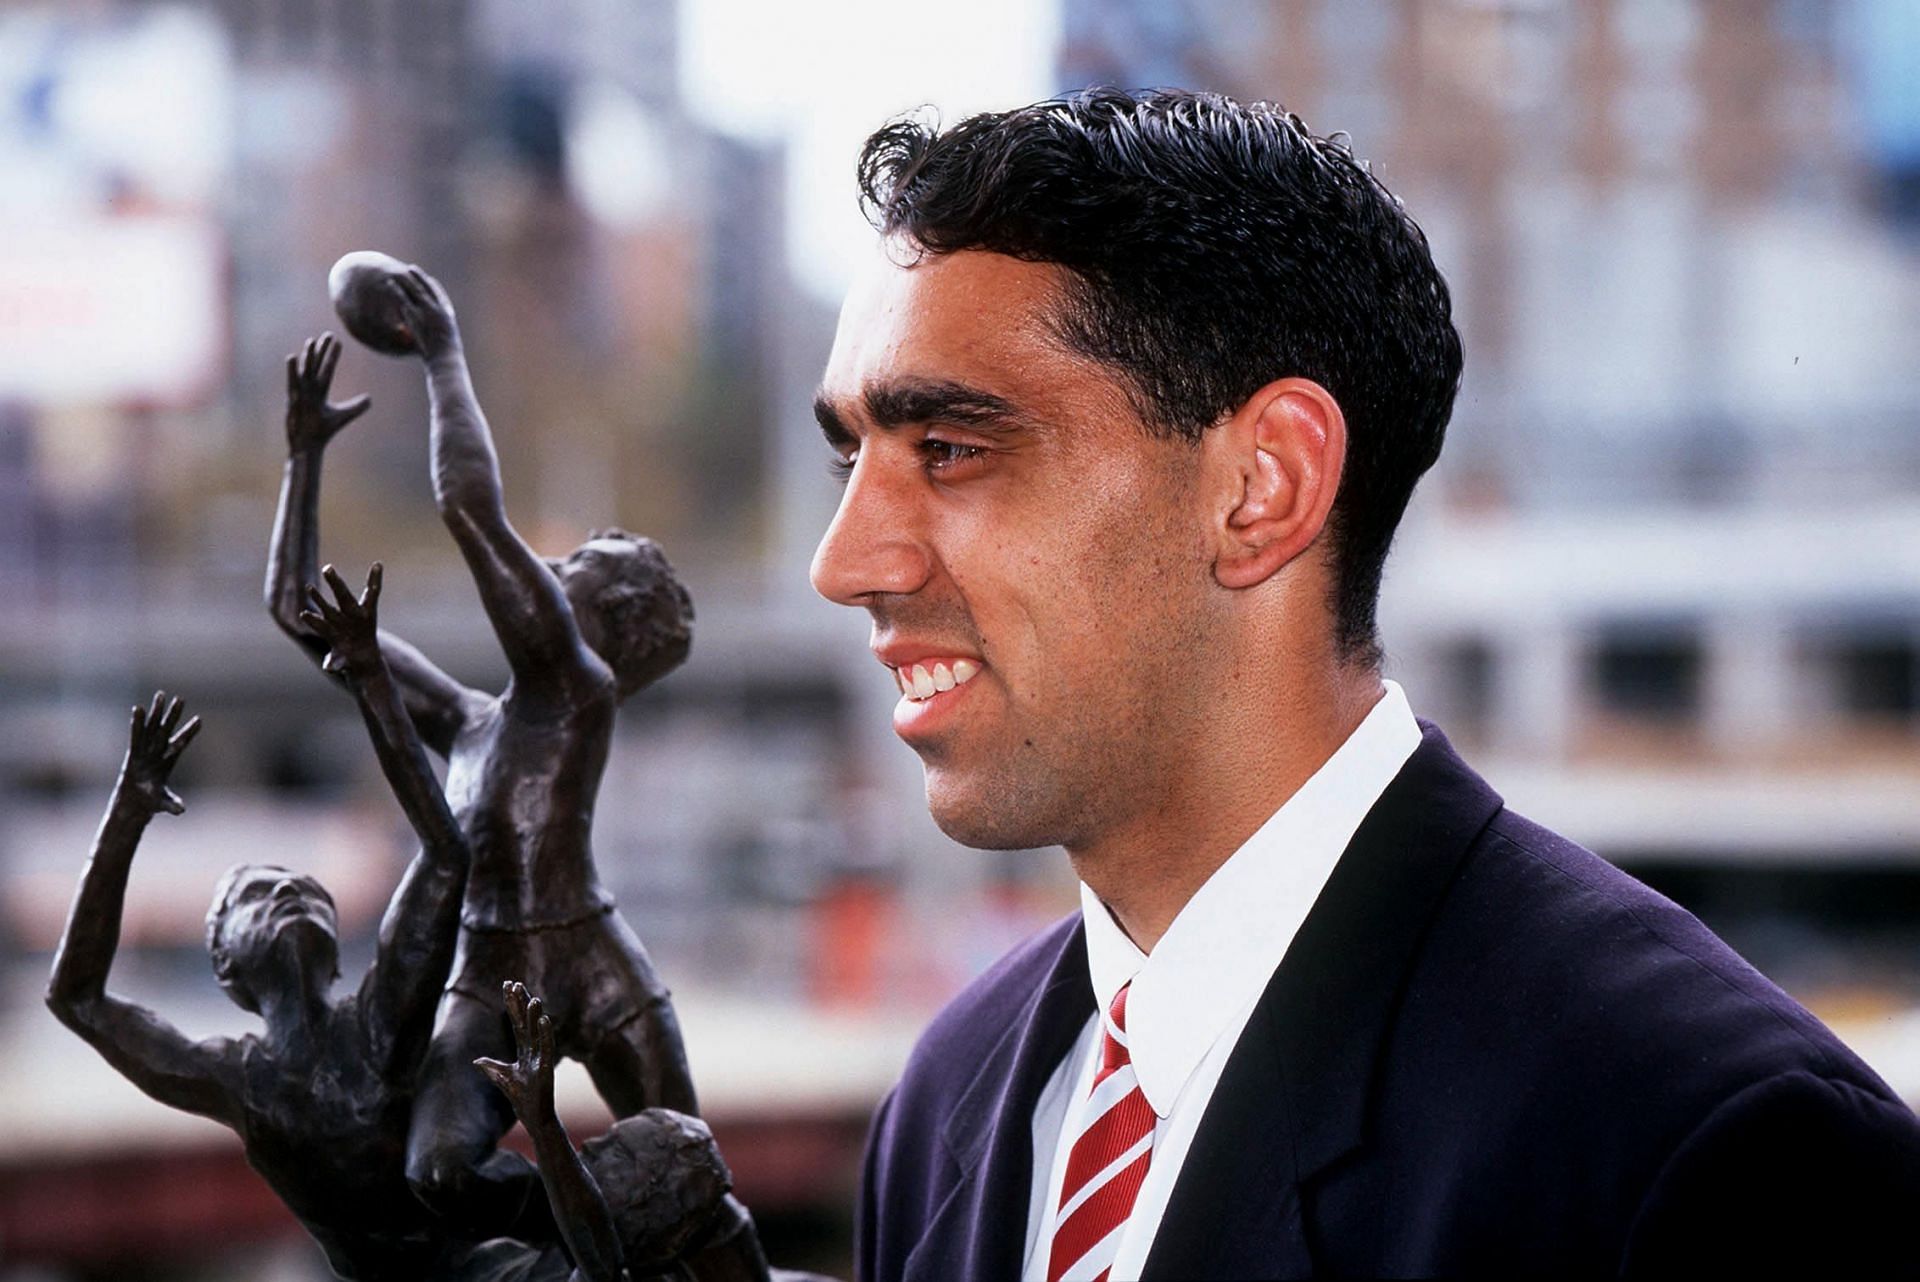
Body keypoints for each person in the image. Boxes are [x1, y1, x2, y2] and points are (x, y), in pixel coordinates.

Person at [809, 89, 1920, 1280]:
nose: (844, 562)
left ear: (1265, 486)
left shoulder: (1709, 1148)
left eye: (954, 450)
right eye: (850, 456)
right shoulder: (946, 1106)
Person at [264, 316, 755, 1270]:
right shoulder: (471, 722)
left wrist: (446, 347)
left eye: (575, 570)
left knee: (698, 1171)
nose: (552, 568)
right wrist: (304, 458)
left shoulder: (581, 690)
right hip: (486, 973)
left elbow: (471, 511)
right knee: (439, 1176)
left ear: (607, 623)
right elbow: (299, 614)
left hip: (598, 965)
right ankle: (596, 1243)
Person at [45, 568, 475, 1281]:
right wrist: (126, 814)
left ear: (338, 953)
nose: (287, 894)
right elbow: (77, 999)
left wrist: (372, 680)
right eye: (254, 895)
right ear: (225, 966)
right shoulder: (234, 1080)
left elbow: (444, 853)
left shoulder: (382, 1020)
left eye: (308, 891)